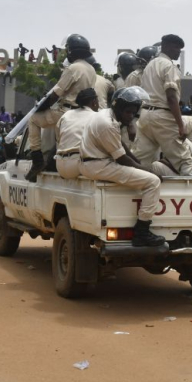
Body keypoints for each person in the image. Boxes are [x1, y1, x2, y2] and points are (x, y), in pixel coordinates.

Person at [79, 87, 165, 247]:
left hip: (95, 162)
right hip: (98, 165)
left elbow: (121, 147)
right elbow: (122, 159)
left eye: (133, 113)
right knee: (153, 182)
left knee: (147, 175)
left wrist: (140, 166)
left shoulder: (106, 115)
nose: (131, 116)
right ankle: (142, 232)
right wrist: (147, 171)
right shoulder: (108, 124)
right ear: (119, 108)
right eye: (128, 112)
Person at [25, 34, 96, 182]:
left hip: (66, 110)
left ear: (71, 51)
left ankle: (37, 159)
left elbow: (56, 94)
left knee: (33, 120)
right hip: (84, 111)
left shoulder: (72, 68)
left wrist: (40, 107)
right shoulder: (91, 69)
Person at [132, 34, 192, 175]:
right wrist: (180, 124)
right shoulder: (169, 66)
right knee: (185, 161)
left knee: (139, 161)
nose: (179, 51)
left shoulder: (150, 65)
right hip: (163, 116)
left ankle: (128, 194)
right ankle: (188, 194)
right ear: (166, 46)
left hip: (145, 115)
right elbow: (171, 97)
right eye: (176, 47)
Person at [55, 88, 99, 180]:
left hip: (59, 165)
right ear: (94, 101)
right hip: (77, 165)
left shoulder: (66, 115)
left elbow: (58, 139)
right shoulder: (97, 116)